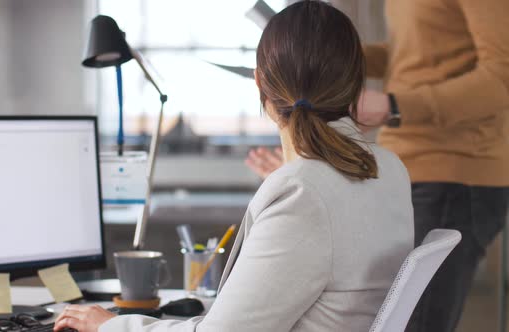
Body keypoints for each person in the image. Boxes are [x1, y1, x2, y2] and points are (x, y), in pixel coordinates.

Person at [54, 1, 414, 331]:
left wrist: (109, 326)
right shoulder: (389, 169)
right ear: (355, 86)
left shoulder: (303, 191)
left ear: (259, 82)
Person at [247, 0, 509, 331]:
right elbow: (416, 53)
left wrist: (395, 104)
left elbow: (503, 74)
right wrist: (320, 54)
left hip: (455, 170)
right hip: (406, 165)